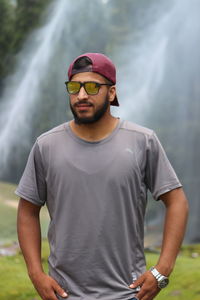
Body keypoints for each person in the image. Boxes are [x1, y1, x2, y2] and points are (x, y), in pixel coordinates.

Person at [16, 52, 188, 300]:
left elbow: (177, 202)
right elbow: (27, 211)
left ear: (111, 92)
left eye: (93, 87)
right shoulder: (46, 145)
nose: (82, 95)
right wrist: (36, 274)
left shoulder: (143, 141)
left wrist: (162, 270)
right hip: (64, 295)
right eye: (74, 87)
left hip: (128, 294)